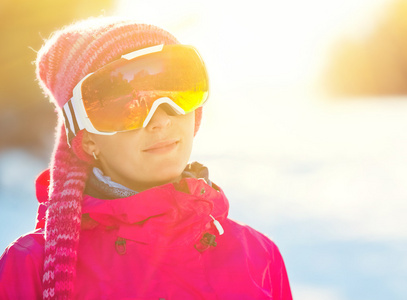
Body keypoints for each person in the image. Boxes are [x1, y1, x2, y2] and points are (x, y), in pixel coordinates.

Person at [0, 17, 292, 299]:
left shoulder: (258, 257)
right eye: (126, 104)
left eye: (175, 92)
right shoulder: (32, 267)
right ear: (87, 139)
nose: (161, 121)